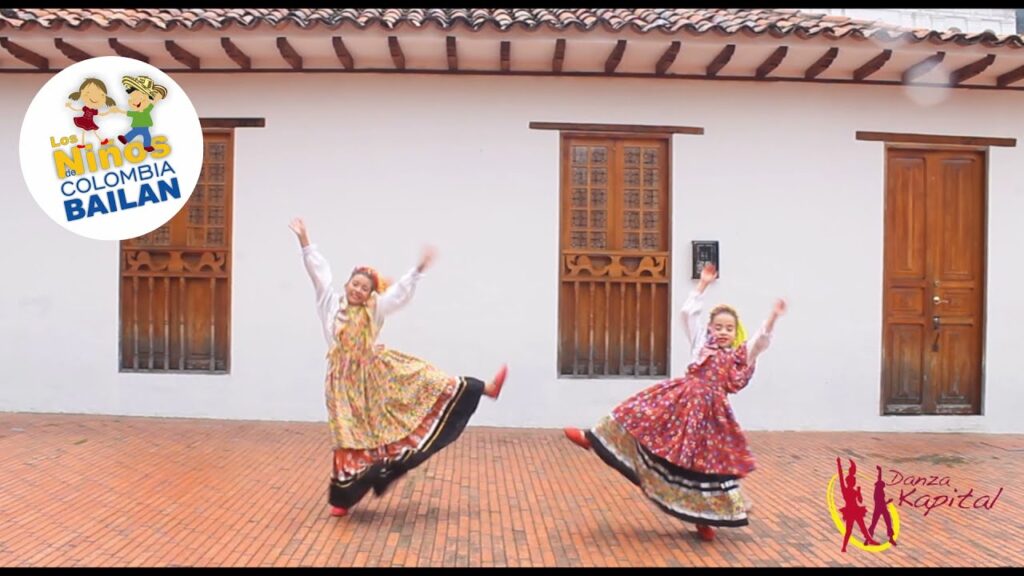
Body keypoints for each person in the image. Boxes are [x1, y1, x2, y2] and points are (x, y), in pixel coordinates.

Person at [290, 217, 508, 517]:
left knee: (425, 379)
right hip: (342, 384)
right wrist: (305, 240)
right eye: (355, 284)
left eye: (364, 288)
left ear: (370, 294)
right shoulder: (330, 304)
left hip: (375, 375)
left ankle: (483, 388)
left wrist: (418, 270)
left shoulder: (376, 310)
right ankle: (342, 498)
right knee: (347, 436)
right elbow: (318, 274)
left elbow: (399, 294)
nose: (357, 290)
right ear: (347, 284)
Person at [564, 263, 785, 542]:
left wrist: (772, 318)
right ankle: (593, 438)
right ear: (710, 328)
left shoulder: (738, 358)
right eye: (718, 327)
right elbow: (688, 313)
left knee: (706, 467)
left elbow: (759, 343)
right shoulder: (700, 344)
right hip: (678, 401)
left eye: (729, 328)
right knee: (636, 411)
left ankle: (704, 519)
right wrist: (703, 284)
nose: (723, 332)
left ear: (735, 331)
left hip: (710, 418)